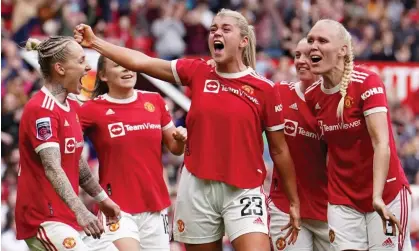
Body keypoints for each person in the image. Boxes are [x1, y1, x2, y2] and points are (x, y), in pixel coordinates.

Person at [74, 8, 301, 251]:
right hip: (197, 187)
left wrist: (293, 201)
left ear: (243, 41)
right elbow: (142, 61)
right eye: (213, 29)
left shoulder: (264, 89)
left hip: (243, 189)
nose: (217, 33)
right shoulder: (198, 71)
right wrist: (95, 42)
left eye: (226, 29)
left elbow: (279, 151)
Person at [304, 19, 412, 251]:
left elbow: (381, 143)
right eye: (311, 40)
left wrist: (377, 197)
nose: (313, 46)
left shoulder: (366, 82)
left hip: (385, 194)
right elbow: (322, 151)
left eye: (322, 40)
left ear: (343, 49)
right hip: (343, 199)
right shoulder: (312, 95)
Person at [16, 36, 121, 251]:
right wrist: (81, 210)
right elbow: (52, 167)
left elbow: (76, 161)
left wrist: (101, 197)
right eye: (81, 61)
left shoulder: (71, 105)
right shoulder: (42, 109)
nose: (88, 67)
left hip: (70, 217)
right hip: (45, 219)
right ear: (60, 69)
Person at [78, 55, 187, 251]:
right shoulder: (91, 110)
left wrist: (180, 139)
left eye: (129, 64)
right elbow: (66, 142)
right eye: (118, 65)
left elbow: (175, 148)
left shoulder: (154, 101)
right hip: (117, 208)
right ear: (103, 75)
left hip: (156, 206)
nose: (127, 69)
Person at [269, 38, 329, 251]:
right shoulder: (278, 93)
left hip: (330, 209)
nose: (301, 61)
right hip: (284, 206)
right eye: (297, 55)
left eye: (309, 56)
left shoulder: (338, 101)